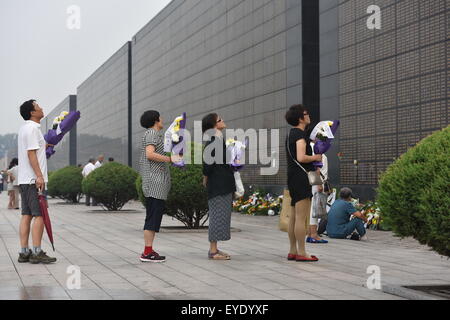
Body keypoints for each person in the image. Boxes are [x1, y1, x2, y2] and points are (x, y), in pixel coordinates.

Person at [17, 100, 56, 264]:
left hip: (25, 179)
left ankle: (24, 252)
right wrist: (40, 176)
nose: (41, 107)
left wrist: (44, 145)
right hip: (34, 180)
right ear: (32, 112)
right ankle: (37, 251)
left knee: (26, 215)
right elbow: (31, 154)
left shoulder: (25, 128)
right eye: (38, 106)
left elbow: (34, 149)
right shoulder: (33, 129)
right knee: (39, 215)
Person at [139, 110, 181, 263]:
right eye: (161, 118)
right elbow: (150, 154)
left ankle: (148, 250)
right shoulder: (151, 134)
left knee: (154, 218)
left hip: (157, 182)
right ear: (156, 120)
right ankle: (147, 252)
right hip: (154, 182)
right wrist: (170, 159)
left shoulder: (155, 135)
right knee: (152, 218)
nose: (162, 120)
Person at [285, 105, 323, 262]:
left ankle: (293, 250)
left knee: (294, 216)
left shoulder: (290, 134)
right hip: (302, 177)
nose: (309, 116)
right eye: (306, 114)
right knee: (301, 217)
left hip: (293, 176)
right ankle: (302, 252)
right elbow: (301, 157)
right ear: (300, 118)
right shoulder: (300, 135)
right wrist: (316, 158)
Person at [202, 113, 236, 260]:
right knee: (217, 215)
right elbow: (208, 164)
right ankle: (212, 250)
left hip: (223, 183)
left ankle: (215, 248)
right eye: (220, 120)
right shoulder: (214, 140)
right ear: (214, 124)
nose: (223, 120)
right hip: (218, 185)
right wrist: (206, 177)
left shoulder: (218, 139)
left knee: (221, 215)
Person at [307, 148, 329, 244]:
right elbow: (317, 168)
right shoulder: (316, 151)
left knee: (312, 209)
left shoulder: (310, 148)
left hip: (313, 182)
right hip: (317, 183)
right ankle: (314, 235)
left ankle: (310, 234)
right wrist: (319, 184)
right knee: (315, 209)